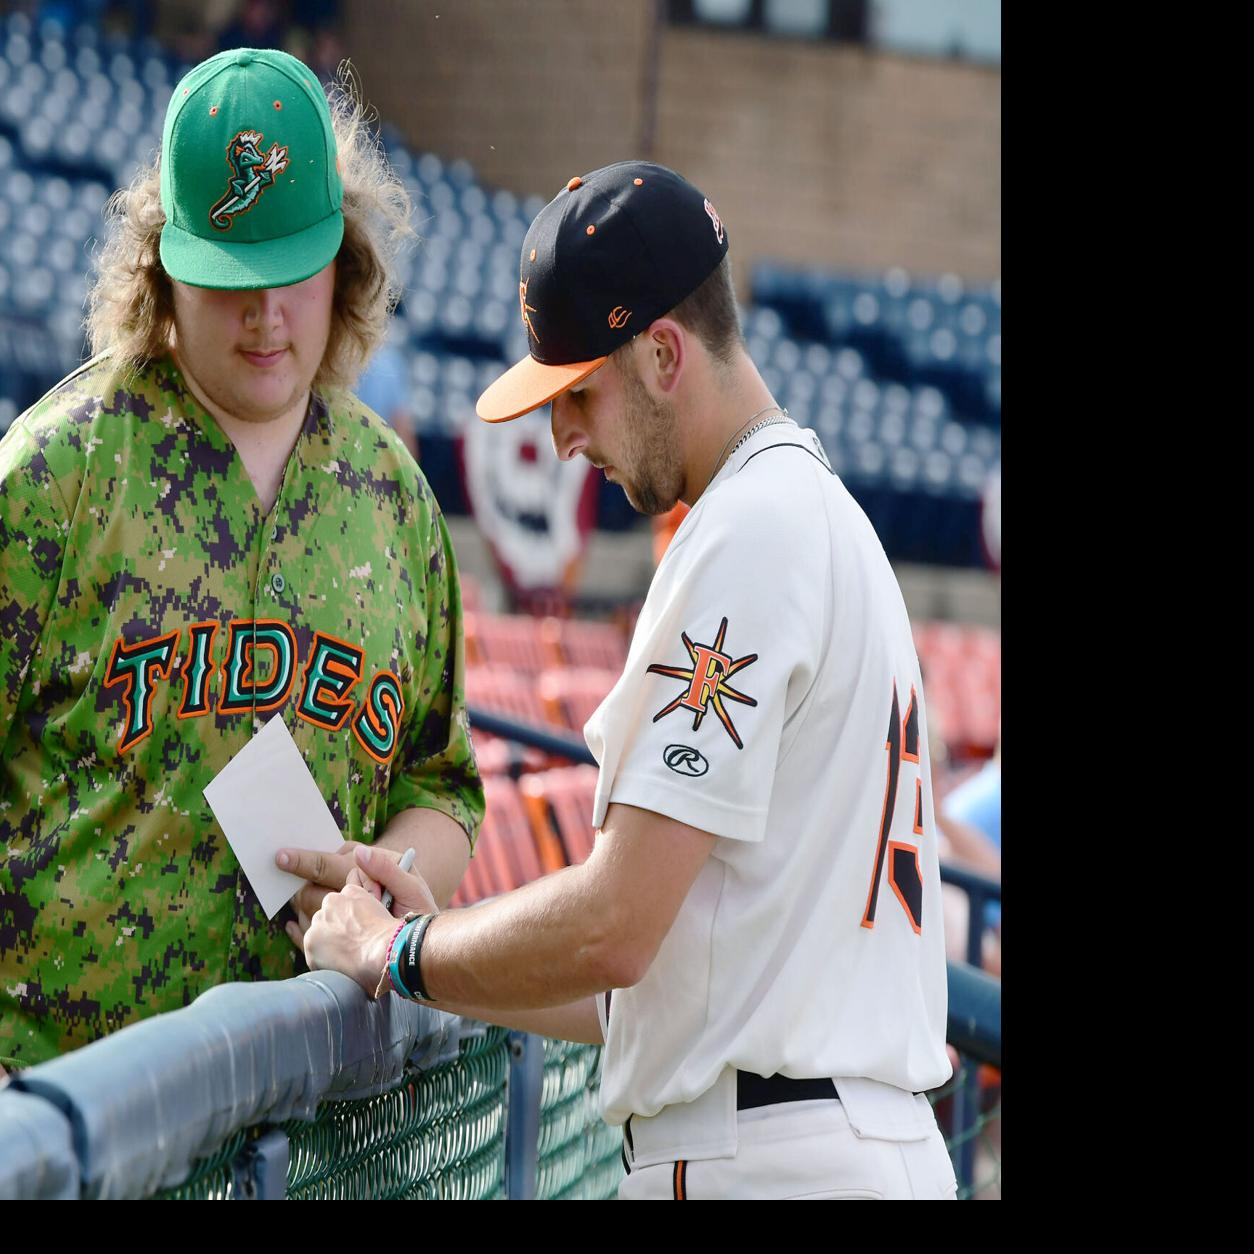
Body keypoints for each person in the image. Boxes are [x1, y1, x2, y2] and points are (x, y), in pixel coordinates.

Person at [303, 162, 955, 1200]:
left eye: (579, 394)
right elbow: (653, 985)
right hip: (829, 1141)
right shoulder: (814, 513)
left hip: (767, 1160)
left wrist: (396, 950)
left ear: (661, 352)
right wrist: (449, 948)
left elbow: (615, 925)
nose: (561, 439)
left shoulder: (752, 530)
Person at [0, 48, 484, 1075]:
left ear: (346, 264)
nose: (266, 315)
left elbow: (443, 783)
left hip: (315, 1129)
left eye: (293, 273)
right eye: (233, 279)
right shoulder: (55, 475)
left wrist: (387, 874)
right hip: (69, 1119)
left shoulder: (394, 499)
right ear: (164, 267)